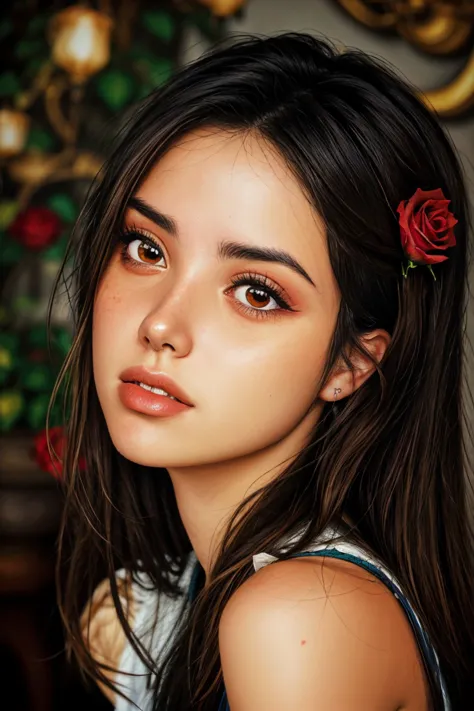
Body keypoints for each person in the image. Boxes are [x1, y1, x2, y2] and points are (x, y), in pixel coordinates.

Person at [50, 31, 474, 710]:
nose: (161, 324)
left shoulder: (300, 619)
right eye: (146, 247)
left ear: (351, 362)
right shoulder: (169, 597)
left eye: (255, 291)